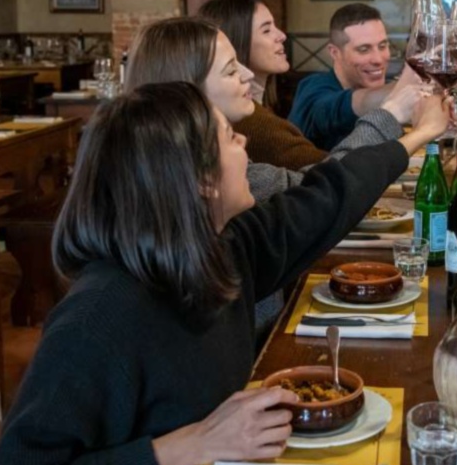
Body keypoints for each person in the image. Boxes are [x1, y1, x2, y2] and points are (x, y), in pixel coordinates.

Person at [0, 81, 449, 465]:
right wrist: (191, 444)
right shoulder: (100, 316)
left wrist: (418, 135)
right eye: (232, 139)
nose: (246, 147)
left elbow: (326, 198)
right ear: (200, 180)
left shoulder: (222, 247)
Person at [124, 17, 428, 342]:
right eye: (230, 70)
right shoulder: (217, 171)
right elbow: (313, 192)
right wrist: (399, 116)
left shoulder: (221, 146)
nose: (247, 74)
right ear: (187, 92)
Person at [199, 0, 409, 171]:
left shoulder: (260, 110)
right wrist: (409, 88)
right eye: (266, 30)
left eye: (383, 46)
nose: (281, 35)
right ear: (235, 42)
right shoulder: (257, 121)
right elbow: (329, 174)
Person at [288, 4, 421, 151]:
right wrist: (409, 83)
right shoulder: (312, 89)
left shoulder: (382, 87)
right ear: (334, 52)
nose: (378, 59)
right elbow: (351, 104)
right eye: (364, 50)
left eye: (383, 46)